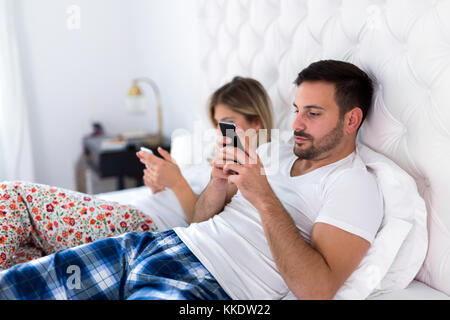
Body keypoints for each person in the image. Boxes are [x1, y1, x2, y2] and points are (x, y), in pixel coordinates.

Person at [0, 60, 384, 300]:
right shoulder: (273, 151)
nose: (296, 124)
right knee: (18, 285)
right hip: (156, 245)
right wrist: (218, 184)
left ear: (351, 120)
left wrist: (264, 197)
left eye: (312, 113)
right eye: (297, 110)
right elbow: (200, 221)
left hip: (209, 283)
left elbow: (316, 291)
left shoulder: (355, 186)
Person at [0, 76, 274, 270]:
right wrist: (160, 184)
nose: (219, 131)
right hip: (132, 210)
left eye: (228, 123)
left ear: (256, 121)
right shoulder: (214, 159)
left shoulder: (254, 169)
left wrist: (177, 183)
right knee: (24, 253)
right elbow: (182, 196)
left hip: (144, 226)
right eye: (217, 123)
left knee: (12, 194)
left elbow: (203, 224)